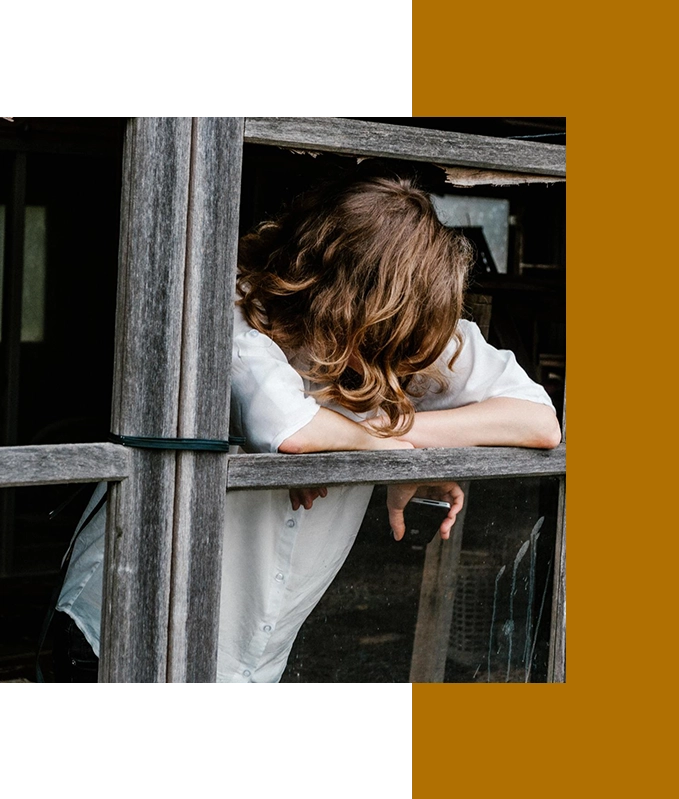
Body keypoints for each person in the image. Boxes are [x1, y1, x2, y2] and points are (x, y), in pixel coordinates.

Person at [54, 170, 561, 686]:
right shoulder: (234, 303)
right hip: (124, 626)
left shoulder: (419, 325)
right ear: (345, 290)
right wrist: (394, 452)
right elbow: (291, 432)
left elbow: (539, 422)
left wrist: (403, 446)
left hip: (253, 659)